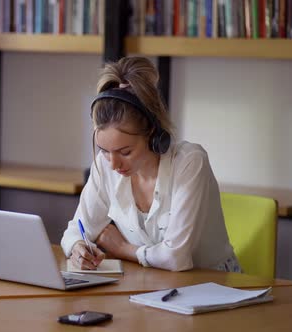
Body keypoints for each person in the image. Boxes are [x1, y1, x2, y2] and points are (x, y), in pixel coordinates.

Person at [60, 57, 241, 272]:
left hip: (213, 286)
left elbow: (176, 258)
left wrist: (123, 248)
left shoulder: (190, 162)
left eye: (125, 152)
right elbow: (75, 231)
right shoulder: (105, 165)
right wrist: (78, 247)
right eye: (104, 151)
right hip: (151, 283)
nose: (113, 163)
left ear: (154, 135)